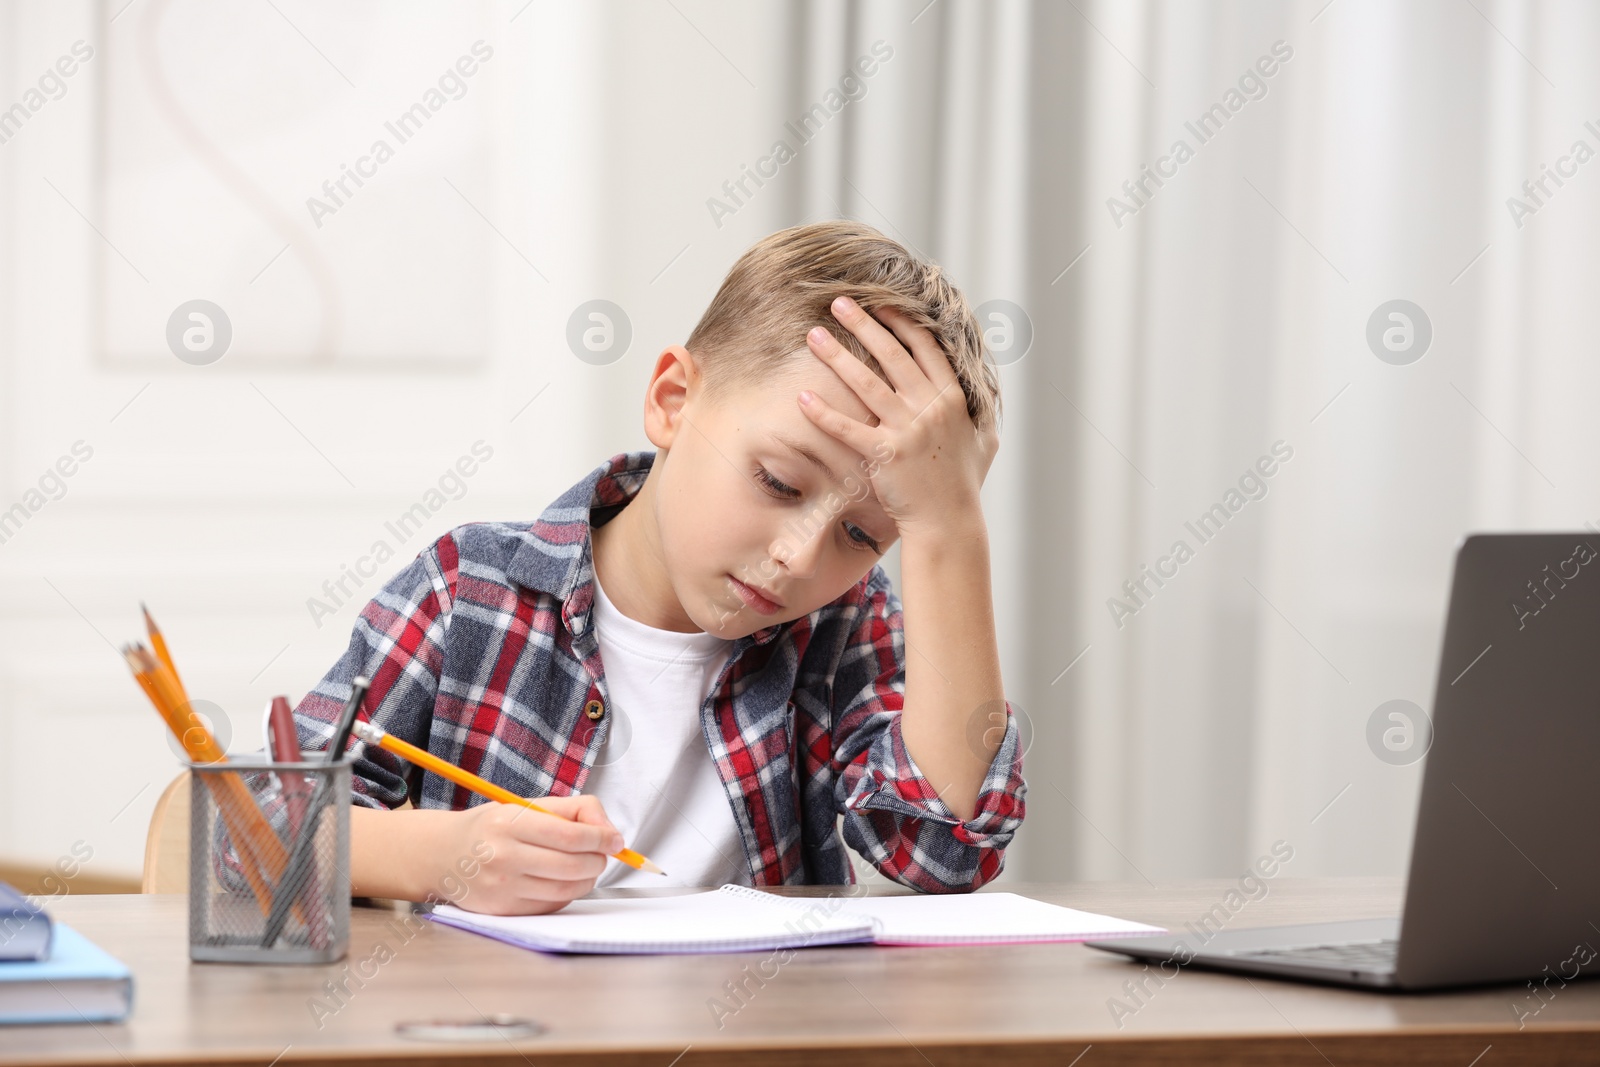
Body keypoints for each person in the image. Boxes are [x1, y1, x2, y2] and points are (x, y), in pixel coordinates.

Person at [292, 219, 1026, 915]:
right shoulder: (470, 591)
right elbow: (256, 825)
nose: (797, 556)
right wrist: (443, 854)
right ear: (672, 400)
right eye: (777, 481)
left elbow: (939, 852)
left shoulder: (845, 621)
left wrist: (948, 532)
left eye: (863, 536)